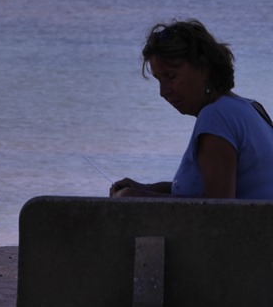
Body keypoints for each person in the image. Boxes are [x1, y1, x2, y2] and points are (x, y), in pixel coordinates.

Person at [110, 19, 273, 199]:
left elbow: (219, 208)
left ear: (203, 67)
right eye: (159, 80)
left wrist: (135, 197)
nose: (163, 92)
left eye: (171, 76)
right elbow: (207, 189)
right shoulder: (252, 107)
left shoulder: (216, 116)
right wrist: (146, 189)